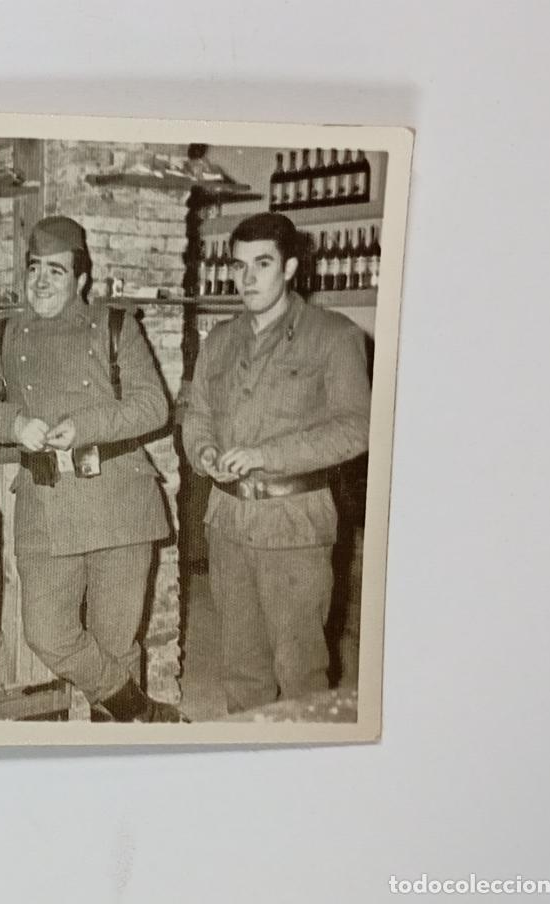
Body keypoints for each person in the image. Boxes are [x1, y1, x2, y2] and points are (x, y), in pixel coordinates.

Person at [0, 215, 186, 723]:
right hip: (45, 503)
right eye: (34, 270)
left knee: (116, 643)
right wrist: (14, 422)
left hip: (118, 499)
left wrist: (84, 424)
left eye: (56, 271)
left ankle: (110, 752)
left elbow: (153, 407)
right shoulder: (2, 333)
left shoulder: (114, 325)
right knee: (46, 632)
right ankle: (138, 710)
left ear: (81, 281)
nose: (42, 282)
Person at [182, 212, 371, 714]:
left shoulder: (334, 336)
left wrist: (267, 457)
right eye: (239, 266)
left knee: (300, 669)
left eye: (261, 265)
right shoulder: (220, 340)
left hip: (294, 525)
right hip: (227, 522)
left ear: (290, 268)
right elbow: (197, 415)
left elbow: (357, 427)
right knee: (241, 667)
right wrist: (202, 453)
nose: (247, 279)